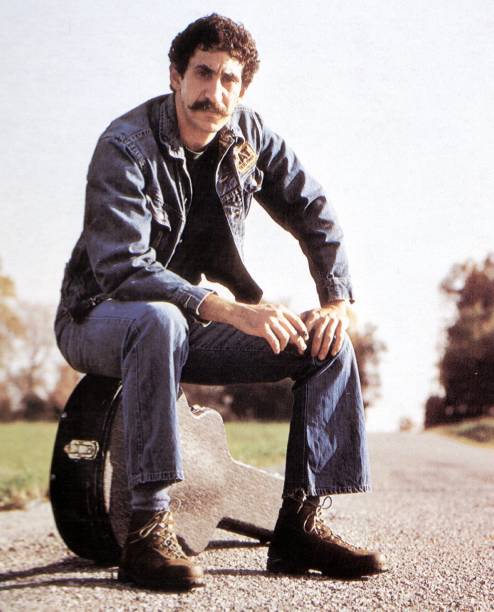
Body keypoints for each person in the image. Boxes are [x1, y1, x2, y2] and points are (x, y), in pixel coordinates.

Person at [54, 14, 386, 590]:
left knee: (325, 344)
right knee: (159, 320)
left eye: (229, 79)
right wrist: (226, 307)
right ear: (176, 77)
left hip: (189, 324)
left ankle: (303, 523)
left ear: (243, 87)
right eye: (203, 74)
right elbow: (122, 268)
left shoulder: (249, 137)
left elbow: (316, 212)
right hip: (100, 317)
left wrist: (335, 301)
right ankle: (148, 527)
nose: (215, 92)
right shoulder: (124, 145)